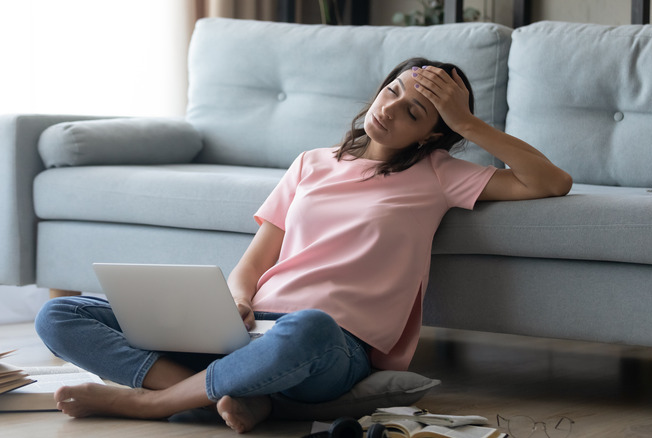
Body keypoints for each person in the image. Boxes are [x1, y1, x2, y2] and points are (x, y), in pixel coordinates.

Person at [34, 57, 572, 434]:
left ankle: (153, 404)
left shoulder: (440, 173)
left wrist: (467, 123)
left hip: (328, 345)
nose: (391, 109)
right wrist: (238, 301)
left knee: (307, 324)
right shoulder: (312, 163)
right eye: (393, 93)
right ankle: (238, 396)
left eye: (416, 112)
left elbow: (551, 182)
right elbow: (254, 263)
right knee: (61, 314)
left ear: (434, 134)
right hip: (251, 332)